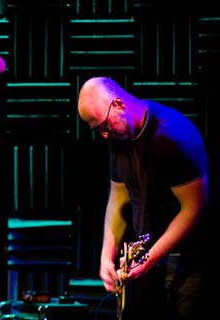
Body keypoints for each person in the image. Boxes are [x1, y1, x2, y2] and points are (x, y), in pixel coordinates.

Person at [77, 77, 210, 320]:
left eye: (104, 126)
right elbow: (118, 196)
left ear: (117, 104)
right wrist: (106, 254)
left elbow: (195, 208)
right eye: (98, 130)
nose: (105, 136)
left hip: (189, 263)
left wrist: (150, 258)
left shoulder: (171, 136)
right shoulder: (119, 137)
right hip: (151, 263)